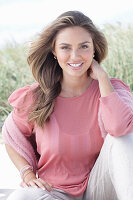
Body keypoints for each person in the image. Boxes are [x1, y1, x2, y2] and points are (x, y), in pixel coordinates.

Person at [2, 10, 133, 200]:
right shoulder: (36, 97)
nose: (75, 56)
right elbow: (11, 135)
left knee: (123, 137)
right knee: (20, 197)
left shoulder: (111, 91)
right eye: (65, 47)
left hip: (100, 189)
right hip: (54, 193)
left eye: (84, 46)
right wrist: (27, 174)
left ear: (94, 49)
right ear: (54, 51)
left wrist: (103, 78)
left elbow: (121, 128)